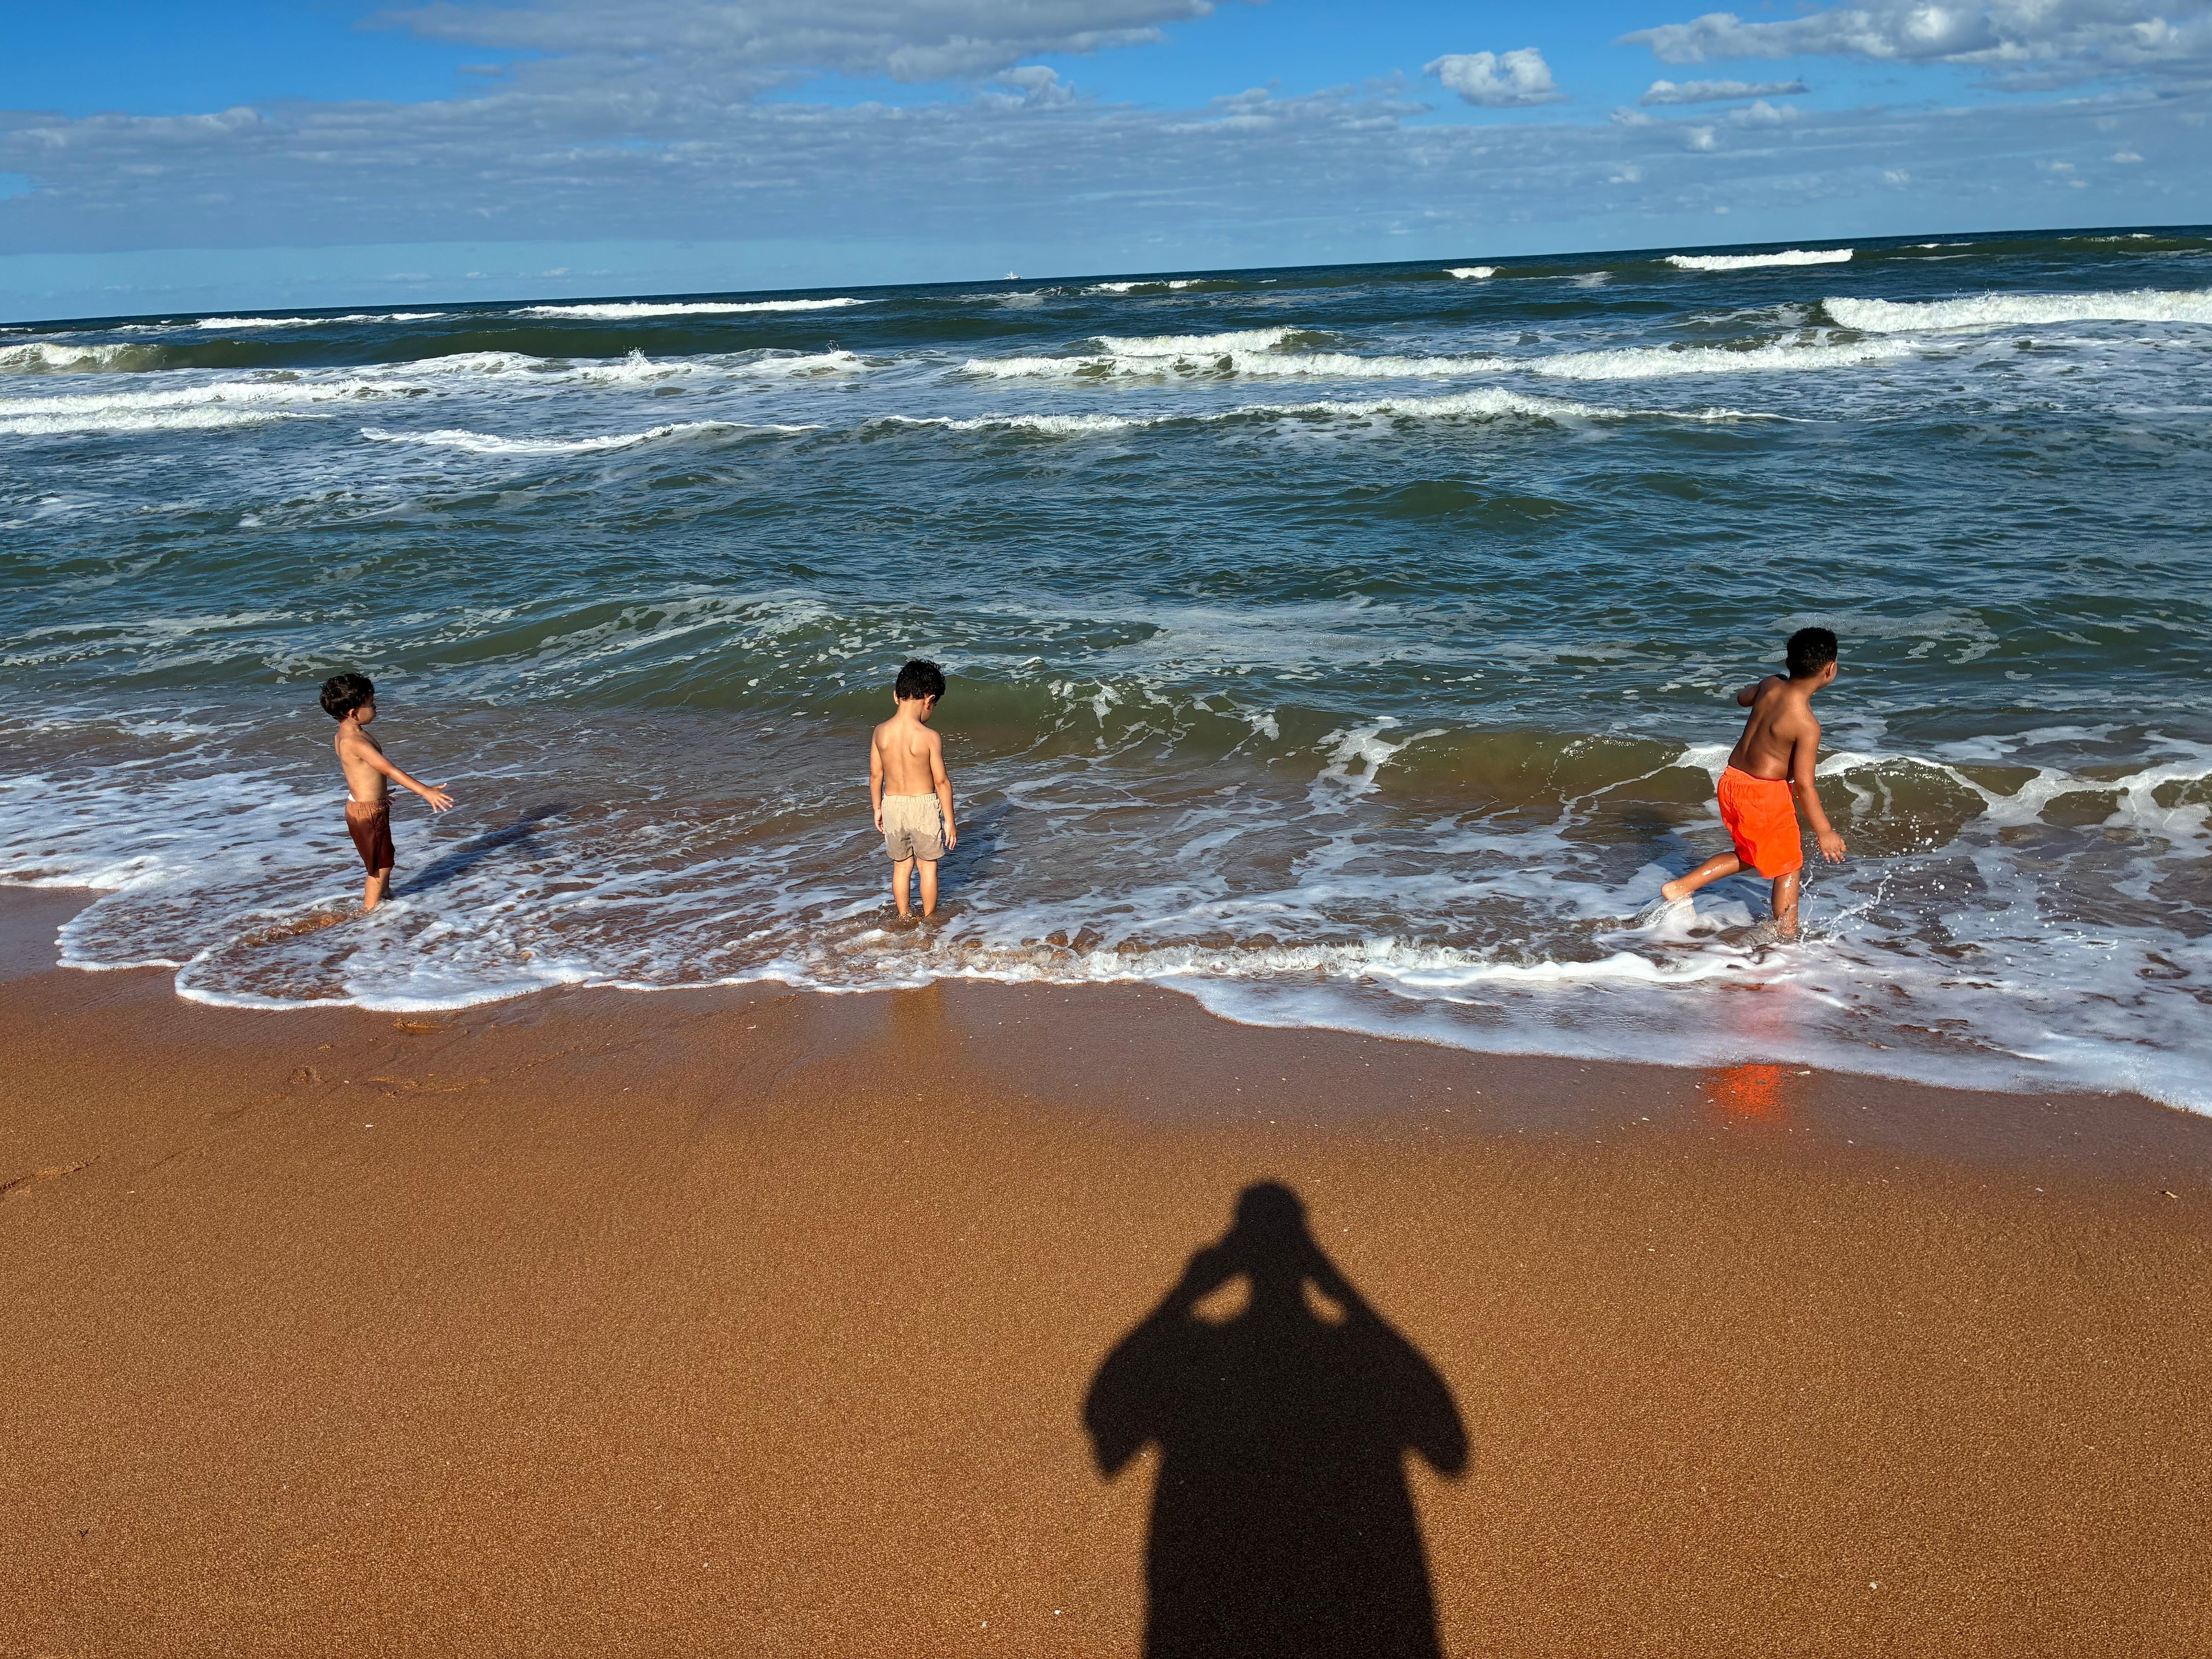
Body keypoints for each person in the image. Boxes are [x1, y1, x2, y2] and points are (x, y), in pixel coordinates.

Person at [1659, 626, 1847, 936]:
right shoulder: (1807, 724)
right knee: (1788, 864)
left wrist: (1762, 691)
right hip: (1764, 795)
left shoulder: (1769, 685)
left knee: (1751, 854)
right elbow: (1804, 784)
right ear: (1831, 669)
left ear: (1788, 664)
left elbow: (1741, 698)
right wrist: (1824, 831)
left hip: (1733, 782)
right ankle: (1786, 937)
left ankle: (1683, 887)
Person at [319, 672, 454, 912]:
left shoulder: (343, 735)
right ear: (354, 713)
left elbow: (358, 772)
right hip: (368, 812)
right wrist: (426, 791)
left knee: (385, 856)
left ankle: (386, 897)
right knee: (379, 867)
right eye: (370, 705)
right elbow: (390, 770)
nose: (375, 708)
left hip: (363, 805)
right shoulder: (357, 742)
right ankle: (370, 913)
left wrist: (377, 793)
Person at [869, 658, 957, 918]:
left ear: (896, 696)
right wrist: (950, 821)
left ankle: (905, 916)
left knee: (902, 866)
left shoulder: (880, 732)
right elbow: (942, 782)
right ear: (929, 701)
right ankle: (930, 919)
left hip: (892, 805)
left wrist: (877, 808)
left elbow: (876, 775)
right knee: (928, 868)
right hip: (923, 806)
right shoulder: (929, 737)